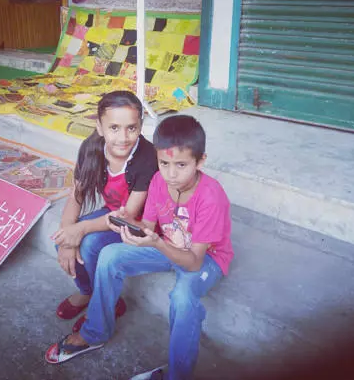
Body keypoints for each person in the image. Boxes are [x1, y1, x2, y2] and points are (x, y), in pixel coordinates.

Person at [45, 115, 234, 380]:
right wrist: (130, 225)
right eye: (164, 163)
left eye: (181, 165)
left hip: (205, 258)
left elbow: (193, 262)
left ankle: (177, 376)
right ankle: (95, 333)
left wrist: (155, 241)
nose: (171, 174)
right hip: (167, 244)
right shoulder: (158, 181)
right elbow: (148, 225)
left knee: (182, 298)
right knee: (110, 255)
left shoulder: (211, 196)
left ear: (200, 161)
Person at [51, 90, 158, 334]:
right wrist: (67, 236)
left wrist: (82, 228)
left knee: (89, 244)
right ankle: (88, 292)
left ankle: (108, 301)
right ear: (99, 127)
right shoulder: (90, 147)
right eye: (114, 128)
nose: (123, 138)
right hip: (111, 214)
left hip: (137, 224)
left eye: (132, 128)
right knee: (61, 238)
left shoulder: (147, 157)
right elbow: (76, 196)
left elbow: (127, 215)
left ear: (141, 126)